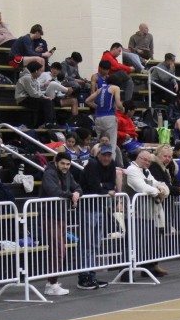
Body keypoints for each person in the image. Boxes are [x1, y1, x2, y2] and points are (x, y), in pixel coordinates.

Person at [40, 152, 81, 296]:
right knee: (57, 251)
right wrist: (71, 195)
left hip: (61, 216)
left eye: (68, 164)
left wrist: (76, 193)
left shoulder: (68, 174)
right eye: (62, 163)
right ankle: (52, 284)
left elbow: (77, 187)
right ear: (56, 162)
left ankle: (52, 282)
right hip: (49, 216)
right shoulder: (49, 174)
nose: (65, 166)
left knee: (60, 251)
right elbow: (54, 191)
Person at [77, 143, 117, 290]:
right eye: (104, 155)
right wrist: (105, 189)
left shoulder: (112, 164)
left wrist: (103, 187)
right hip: (87, 209)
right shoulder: (92, 165)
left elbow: (111, 184)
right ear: (98, 155)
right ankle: (84, 276)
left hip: (99, 208)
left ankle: (91, 274)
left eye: (108, 155)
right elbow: (95, 187)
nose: (106, 158)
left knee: (95, 244)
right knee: (86, 244)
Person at [86, 60, 124, 149]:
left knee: (100, 144)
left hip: (99, 116)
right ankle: (111, 158)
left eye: (107, 70)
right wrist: (122, 109)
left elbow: (87, 100)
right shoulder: (115, 87)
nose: (106, 71)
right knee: (111, 144)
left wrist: (98, 106)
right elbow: (118, 104)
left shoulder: (101, 88)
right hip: (108, 115)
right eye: (105, 69)